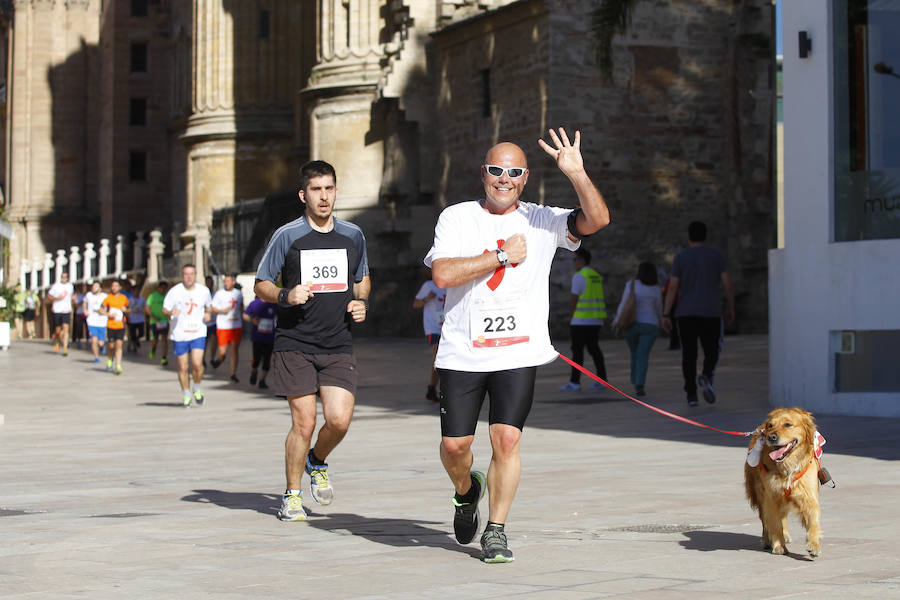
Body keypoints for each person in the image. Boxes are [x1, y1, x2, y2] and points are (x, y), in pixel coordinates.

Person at [424, 128, 610, 563]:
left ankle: (496, 530)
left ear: (525, 178)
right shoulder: (456, 217)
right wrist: (501, 256)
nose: (503, 179)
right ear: (483, 174)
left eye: (513, 172)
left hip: (518, 351)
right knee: (455, 447)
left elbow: (597, 219)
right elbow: (443, 275)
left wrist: (577, 173)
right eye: (496, 170)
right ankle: (466, 491)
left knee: (506, 439)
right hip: (463, 352)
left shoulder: (543, 219)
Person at [254, 159, 370, 523]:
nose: (324, 197)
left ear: (336, 191)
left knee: (339, 420)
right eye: (316, 190)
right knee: (303, 423)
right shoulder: (287, 235)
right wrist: (285, 295)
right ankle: (291, 495)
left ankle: (316, 460)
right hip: (295, 343)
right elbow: (261, 283)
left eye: (329, 189)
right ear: (303, 195)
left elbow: (362, 278)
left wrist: (362, 302)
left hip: (337, 342)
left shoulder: (353, 235)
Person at [662, 221, 735, 406]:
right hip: (711, 311)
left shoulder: (680, 258)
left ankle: (691, 395)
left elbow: (673, 287)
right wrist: (731, 308)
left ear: (689, 237)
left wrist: (666, 313)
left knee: (688, 354)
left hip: (685, 313)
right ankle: (707, 375)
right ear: (705, 236)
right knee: (713, 349)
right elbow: (727, 284)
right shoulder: (717, 256)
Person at [163, 264, 213, 406]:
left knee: (197, 364)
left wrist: (208, 314)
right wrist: (171, 312)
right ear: (182, 276)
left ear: (195, 275)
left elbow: (209, 306)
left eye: (191, 274)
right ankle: (186, 393)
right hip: (180, 333)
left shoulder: (204, 291)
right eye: (186, 274)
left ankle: (196, 387)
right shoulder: (175, 291)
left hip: (198, 332)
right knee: (183, 367)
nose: (189, 277)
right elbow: (164, 309)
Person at [559, 247, 608, 392]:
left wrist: (571, 316)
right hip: (596, 319)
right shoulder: (595, 276)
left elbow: (574, 298)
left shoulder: (579, 276)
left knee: (577, 352)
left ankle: (575, 382)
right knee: (594, 349)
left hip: (581, 320)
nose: (574, 263)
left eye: (575, 259)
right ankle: (602, 379)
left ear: (582, 260)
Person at [611, 262, 663, 396]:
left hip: (631, 325)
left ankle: (635, 380)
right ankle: (640, 383)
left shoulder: (632, 284)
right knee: (643, 354)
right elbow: (659, 308)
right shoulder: (656, 288)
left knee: (635, 353)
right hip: (650, 325)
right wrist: (661, 321)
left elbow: (624, 304)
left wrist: (617, 321)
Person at [412, 276, 446, 402]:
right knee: (438, 354)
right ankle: (432, 388)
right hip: (434, 328)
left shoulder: (454, 284)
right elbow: (415, 304)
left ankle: (437, 388)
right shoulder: (429, 285)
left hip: (450, 326)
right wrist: (427, 298)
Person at [210, 274, 244, 383]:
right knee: (223, 353)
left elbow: (241, 307)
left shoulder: (238, 294)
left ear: (233, 282)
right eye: (225, 281)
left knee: (234, 349)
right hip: (223, 326)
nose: (226, 283)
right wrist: (222, 311)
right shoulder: (219, 294)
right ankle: (220, 360)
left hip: (236, 325)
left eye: (228, 281)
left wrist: (244, 316)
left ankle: (233, 374)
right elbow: (212, 308)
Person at [243, 296, 278, 389]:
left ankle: (262, 380)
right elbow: (245, 315)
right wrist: (252, 320)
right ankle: (254, 370)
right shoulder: (254, 303)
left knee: (267, 359)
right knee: (256, 358)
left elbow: (278, 316)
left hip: (269, 338)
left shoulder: (274, 303)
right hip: (257, 337)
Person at [100, 280, 130, 375]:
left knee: (119, 344)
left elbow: (129, 309)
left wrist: (126, 310)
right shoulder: (108, 298)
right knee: (111, 345)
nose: (114, 288)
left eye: (116, 286)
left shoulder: (124, 298)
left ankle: (118, 365)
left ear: (120, 287)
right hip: (111, 325)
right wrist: (108, 314)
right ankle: (110, 360)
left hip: (121, 325)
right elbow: (101, 310)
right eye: (112, 286)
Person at [47, 272, 75, 356]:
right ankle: (58, 341)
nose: (64, 278)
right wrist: (56, 298)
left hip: (66, 310)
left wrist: (73, 300)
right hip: (57, 310)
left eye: (65, 277)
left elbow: (72, 296)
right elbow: (49, 296)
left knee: (66, 329)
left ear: (67, 278)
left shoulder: (70, 286)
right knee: (58, 330)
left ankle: (65, 348)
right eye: (62, 277)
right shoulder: (56, 286)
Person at [83, 281, 108, 365]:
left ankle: (102, 346)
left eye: (96, 286)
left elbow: (108, 305)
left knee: (100, 342)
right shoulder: (88, 295)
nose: (93, 288)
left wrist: (104, 311)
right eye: (93, 286)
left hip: (102, 322)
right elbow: (84, 302)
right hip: (91, 321)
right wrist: (85, 310)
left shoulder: (105, 296)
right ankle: (96, 357)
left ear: (100, 288)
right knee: (93, 340)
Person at [145, 281, 170, 366]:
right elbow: (147, 308)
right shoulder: (152, 296)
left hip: (164, 321)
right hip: (155, 321)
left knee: (164, 339)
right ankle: (153, 349)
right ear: (158, 288)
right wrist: (153, 316)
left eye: (164, 288)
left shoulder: (167, 296)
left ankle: (164, 357)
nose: (163, 290)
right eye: (161, 288)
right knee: (155, 339)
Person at [203, 275, 218, 367]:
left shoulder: (216, 295)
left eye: (211, 283)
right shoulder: (203, 294)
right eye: (207, 283)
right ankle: (202, 358)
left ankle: (212, 358)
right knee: (204, 342)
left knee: (214, 340)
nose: (209, 284)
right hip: (204, 323)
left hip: (214, 322)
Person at [127, 287, 147, 355]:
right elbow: (127, 309)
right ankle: (134, 347)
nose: (137, 292)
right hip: (132, 319)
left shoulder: (142, 299)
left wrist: (145, 314)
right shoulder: (130, 300)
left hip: (140, 319)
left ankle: (137, 340)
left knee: (141, 333)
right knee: (132, 334)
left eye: (138, 291)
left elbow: (145, 307)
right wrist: (128, 317)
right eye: (135, 291)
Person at [73, 283, 88, 349]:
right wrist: (82, 302)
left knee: (87, 328)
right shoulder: (78, 296)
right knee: (79, 328)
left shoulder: (88, 295)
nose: (84, 289)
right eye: (83, 288)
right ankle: (78, 340)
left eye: (85, 288)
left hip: (87, 313)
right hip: (79, 313)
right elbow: (76, 305)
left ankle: (88, 340)